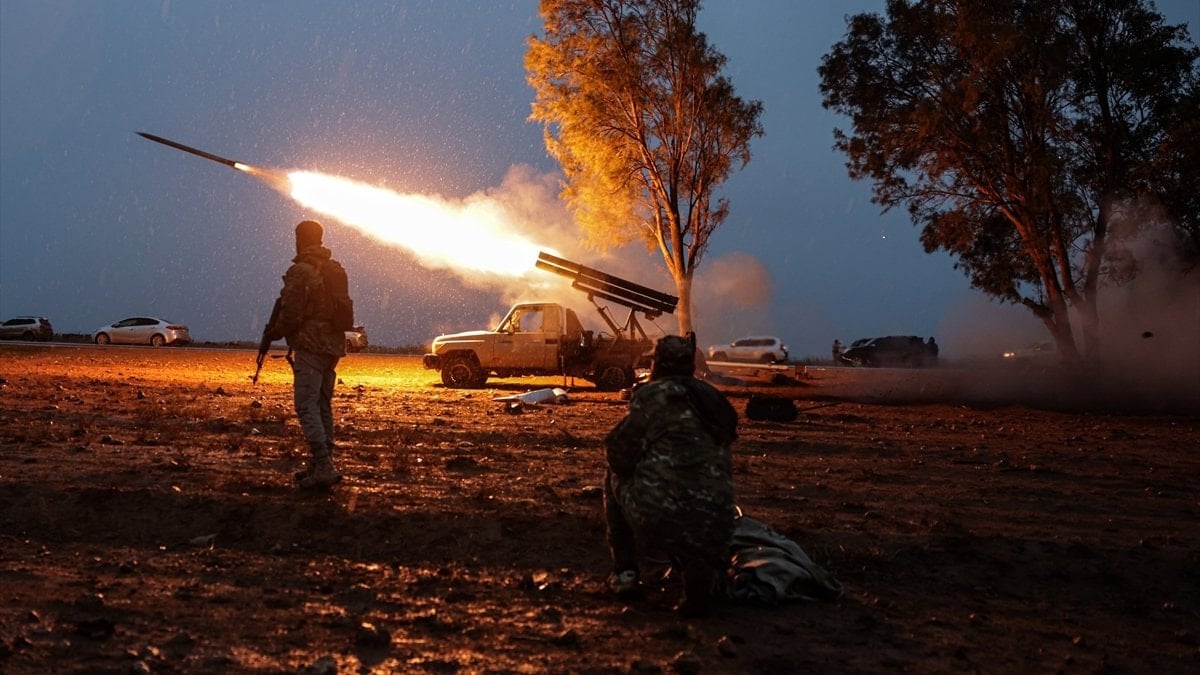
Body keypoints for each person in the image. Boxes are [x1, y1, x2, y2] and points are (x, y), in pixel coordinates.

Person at [603, 334, 738, 617]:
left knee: (612, 475)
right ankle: (698, 574)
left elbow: (619, 453)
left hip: (662, 512)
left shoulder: (654, 396)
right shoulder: (713, 401)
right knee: (695, 495)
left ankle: (625, 573)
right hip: (719, 519)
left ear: (657, 365)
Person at [263, 219, 347, 489]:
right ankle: (321, 463)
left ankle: (323, 464)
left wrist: (275, 333)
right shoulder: (333, 269)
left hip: (311, 346)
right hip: (332, 346)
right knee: (322, 405)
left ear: (300, 238)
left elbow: (292, 312)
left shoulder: (301, 271)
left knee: (305, 405)